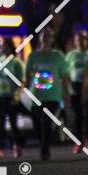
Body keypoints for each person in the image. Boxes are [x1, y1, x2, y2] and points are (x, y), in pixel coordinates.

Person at [25, 27, 69, 160]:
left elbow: (64, 77)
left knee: (47, 122)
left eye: (49, 36)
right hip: (37, 96)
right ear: (40, 39)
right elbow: (28, 73)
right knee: (37, 124)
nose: (46, 38)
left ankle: (45, 150)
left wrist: (66, 94)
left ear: (52, 39)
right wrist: (26, 86)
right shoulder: (33, 56)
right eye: (44, 36)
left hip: (53, 96)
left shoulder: (58, 56)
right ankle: (43, 143)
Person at [0, 38, 25, 159]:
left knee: (13, 124)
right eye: (0, 46)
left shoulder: (16, 63)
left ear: (9, 46)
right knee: (1, 125)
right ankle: (0, 149)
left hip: (11, 97)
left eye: (3, 45)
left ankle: (17, 146)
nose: (1, 48)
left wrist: (17, 96)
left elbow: (21, 82)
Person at [64, 30, 88, 150]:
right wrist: (67, 89)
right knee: (77, 115)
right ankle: (78, 141)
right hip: (75, 86)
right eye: (77, 39)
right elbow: (66, 73)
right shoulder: (71, 55)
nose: (80, 42)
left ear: (87, 40)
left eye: (82, 39)